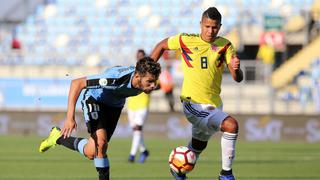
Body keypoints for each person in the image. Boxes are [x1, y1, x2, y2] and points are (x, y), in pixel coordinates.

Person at [150, 7, 243, 180]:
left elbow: (238, 78)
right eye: (207, 26)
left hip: (214, 105)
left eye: (214, 27)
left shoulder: (225, 45)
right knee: (231, 126)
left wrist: (237, 69)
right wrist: (148, 71)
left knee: (198, 145)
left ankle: (177, 170)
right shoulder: (187, 40)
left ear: (220, 26)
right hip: (193, 103)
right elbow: (162, 45)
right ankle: (226, 174)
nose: (210, 31)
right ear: (201, 24)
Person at [38, 57, 161, 180]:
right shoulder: (114, 80)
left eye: (154, 82)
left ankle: (58, 137)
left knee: (92, 152)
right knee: (101, 143)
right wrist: (70, 118)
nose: (153, 86)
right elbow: (77, 83)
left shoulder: (145, 72)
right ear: (138, 76)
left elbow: (157, 53)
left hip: (114, 106)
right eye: (149, 81)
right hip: (94, 99)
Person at [126, 49, 151, 163]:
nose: (140, 58)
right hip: (131, 104)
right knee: (136, 130)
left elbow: (157, 84)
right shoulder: (133, 70)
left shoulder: (149, 71)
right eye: (138, 56)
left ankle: (132, 155)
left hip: (142, 104)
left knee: (137, 128)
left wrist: (151, 87)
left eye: (142, 56)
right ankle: (144, 150)